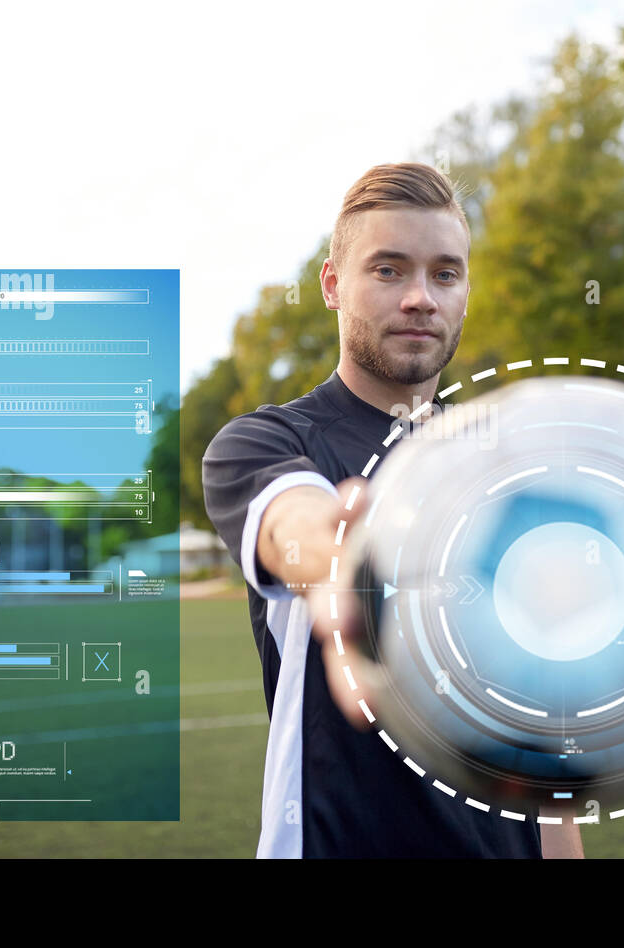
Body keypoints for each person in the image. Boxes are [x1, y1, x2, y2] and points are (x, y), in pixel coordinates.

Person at [203, 162, 583, 858]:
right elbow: (299, 523)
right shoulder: (268, 443)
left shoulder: (509, 467)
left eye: (445, 273)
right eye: (388, 270)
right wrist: (346, 557)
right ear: (332, 284)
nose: (420, 298)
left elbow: (544, 745)